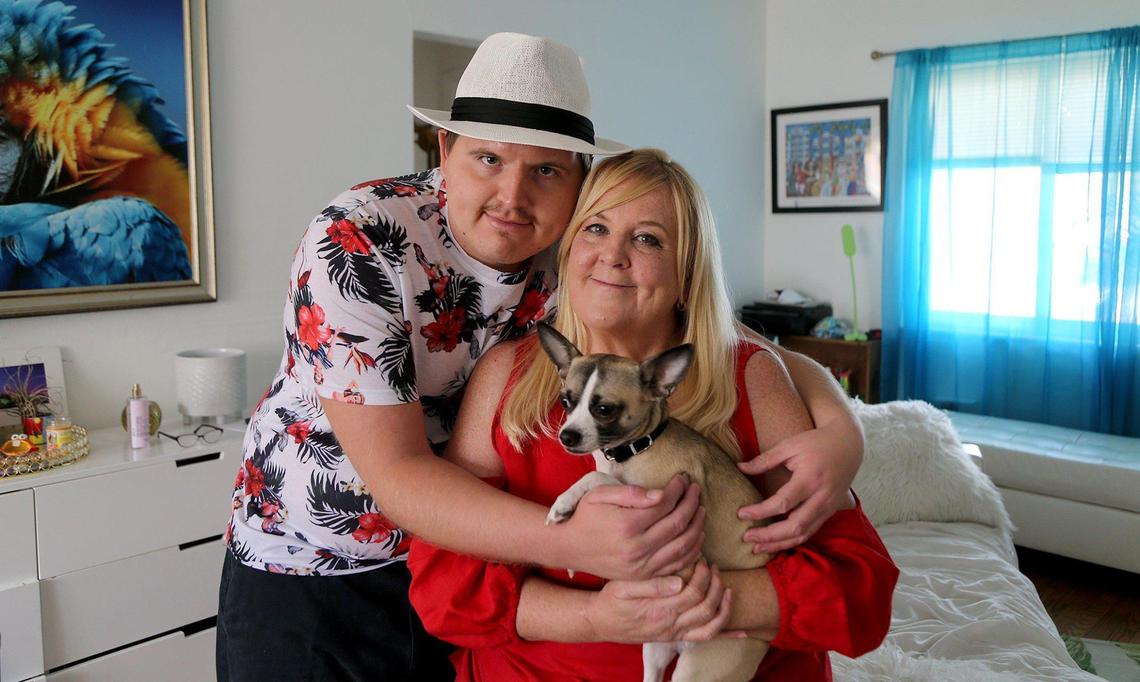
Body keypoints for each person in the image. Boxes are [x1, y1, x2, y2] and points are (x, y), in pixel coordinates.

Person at [218, 32, 864, 681]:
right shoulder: (358, 242)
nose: (513, 195)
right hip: (313, 563)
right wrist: (573, 545)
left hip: (463, 559)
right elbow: (402, 480)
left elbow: (710, 326)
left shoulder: (576, 245)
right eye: (489, 159)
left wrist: (840, 426)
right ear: (444, 149)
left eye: (546, 169)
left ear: (579, 179)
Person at [407, 149, 898, 681]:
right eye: (595, 227)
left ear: (687, 275)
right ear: (568, 251)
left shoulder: (750, 379)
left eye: (648, 239)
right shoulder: (508, 376)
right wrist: (595, 618)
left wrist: (678, 601)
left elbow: (858, 594)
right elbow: (442, 587)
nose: (613, 254)